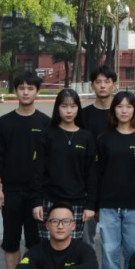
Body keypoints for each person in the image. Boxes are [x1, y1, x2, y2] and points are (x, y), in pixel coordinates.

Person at [0, 71, 53, 269]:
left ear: (37, 92)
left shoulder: (45, 123)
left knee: (34, 241)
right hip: (11, 191)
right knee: (10, 239)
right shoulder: (4, 123)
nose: (25, 92)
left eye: (30, 88)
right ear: (15, 91)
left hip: (37, 194)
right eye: (21, 88)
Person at [94, 90, 135, 269]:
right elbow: (97, 172)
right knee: (109, 252)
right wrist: (95, 204)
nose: (124, 111)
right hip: (108, 204)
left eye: (128, 106)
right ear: (113, 110)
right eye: (119, 106)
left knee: (133, 252)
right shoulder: (104, 138)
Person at [39, 88, 97, 242]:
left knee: (74, 248)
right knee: (48, 246)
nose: (69, 111)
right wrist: (36, 202)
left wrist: (90, 205)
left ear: (78, 108)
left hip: (77, 201)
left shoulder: (86, 136)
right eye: (64, 106)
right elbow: (38, 170)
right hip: (49, 200)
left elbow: (92, 173)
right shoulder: (48, 134)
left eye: (73, 106)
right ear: (57, 108)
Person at [77, 67, 117, 143]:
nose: (102, 86)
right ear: (92, 85)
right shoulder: (82, 114)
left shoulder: (121, 114)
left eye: (107, 82)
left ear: (114, 85)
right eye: (98, 82)